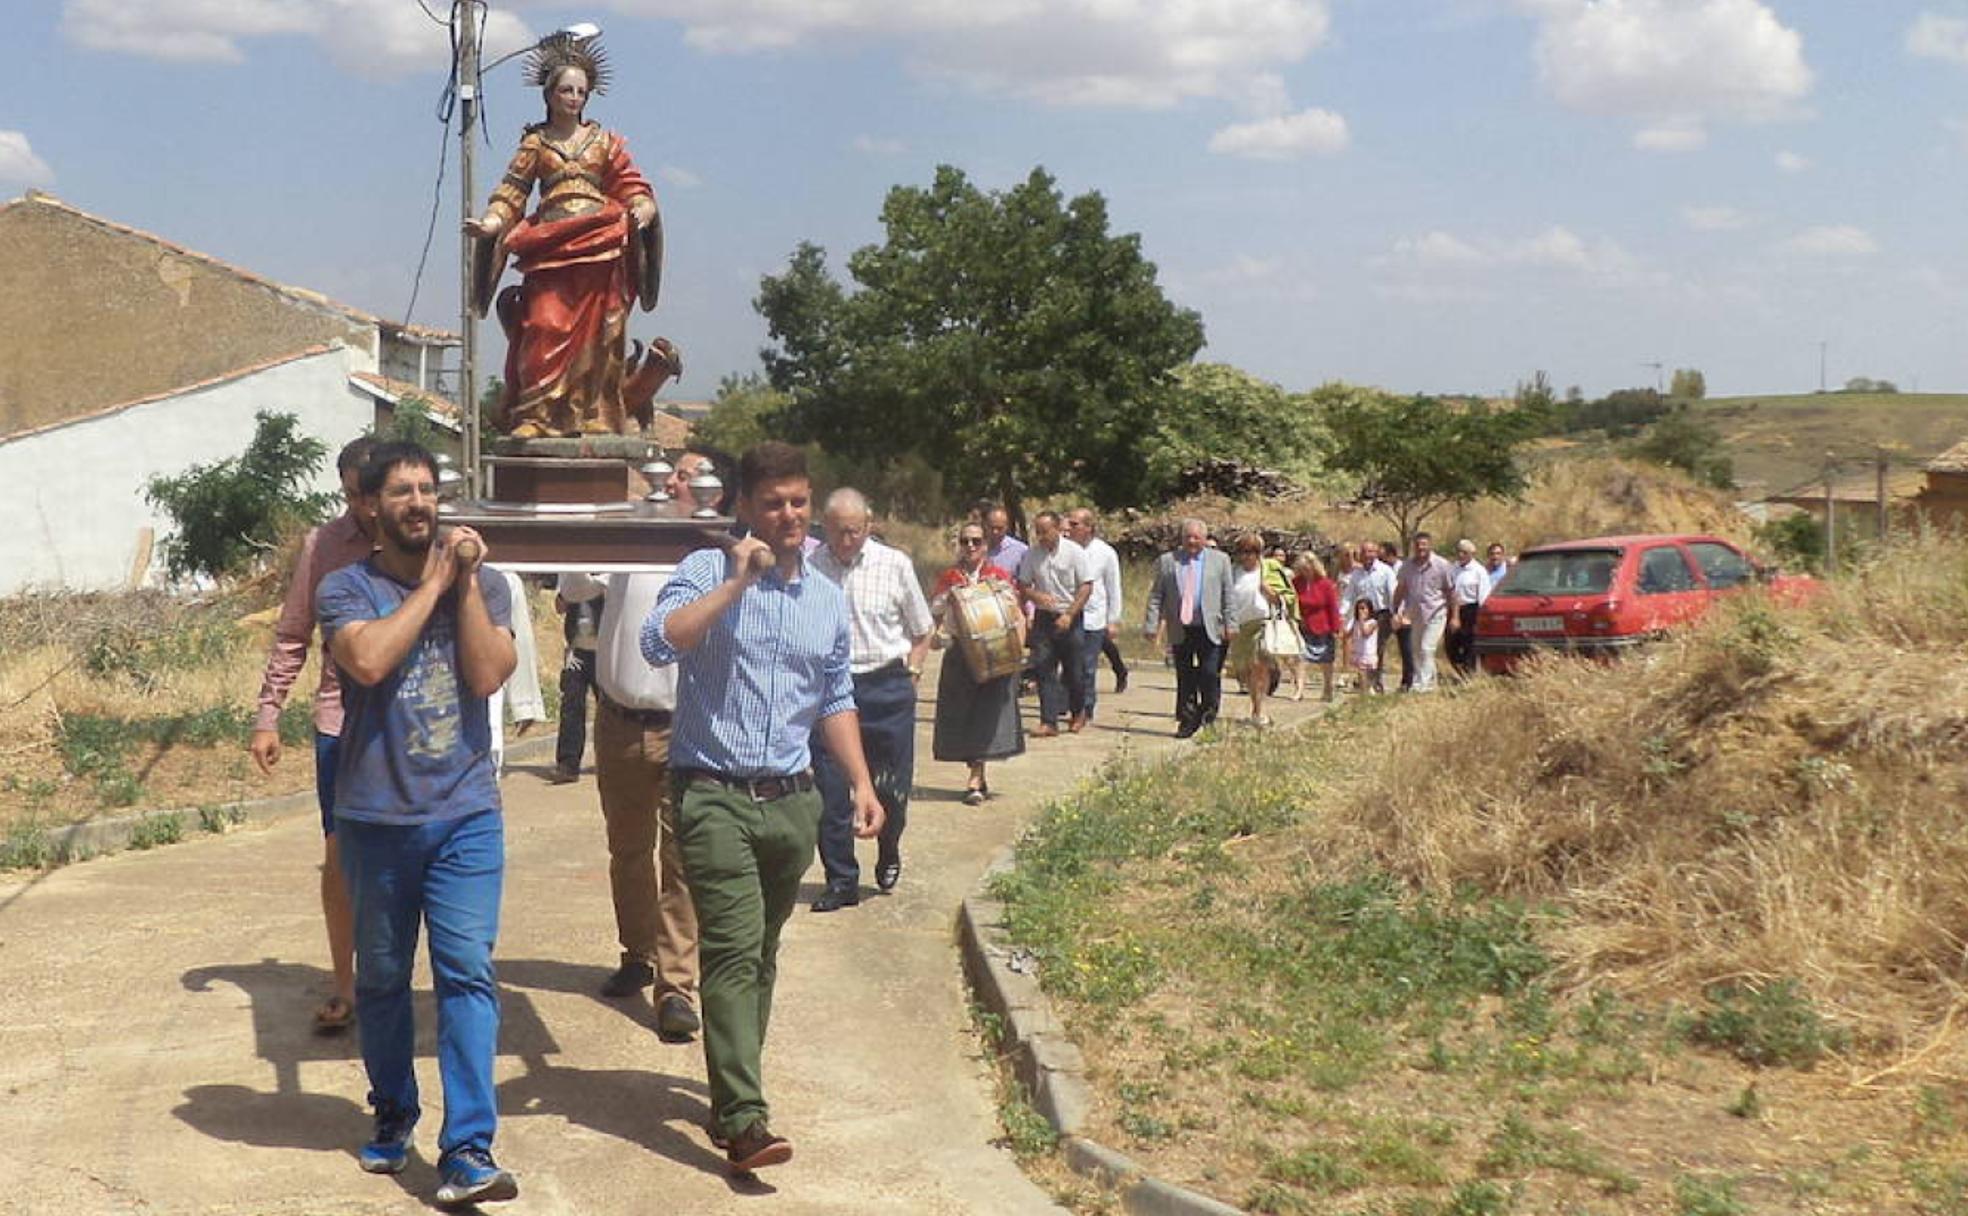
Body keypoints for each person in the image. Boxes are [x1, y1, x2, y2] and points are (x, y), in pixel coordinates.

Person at [640, 441, 884, 1175]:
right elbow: (661, 641)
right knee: (735, 951)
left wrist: (863, 784)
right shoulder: (704, 570)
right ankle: (745, 1120)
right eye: (773, 503)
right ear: (743, 506)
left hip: (792, 802)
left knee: (763, 955)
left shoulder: (823, 597)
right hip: (711, 794)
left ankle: (731, 1092)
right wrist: (737, 584)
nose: (788, 516)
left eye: (798, 502)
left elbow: (834, 697)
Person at [317, 442, 519, 1206]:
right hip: (374, 818)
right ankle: (394, 1107)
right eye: (401, 491)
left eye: (428, 490)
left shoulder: (486, 585)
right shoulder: (346, 588)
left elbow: (487, 674)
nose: (419, 503)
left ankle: (468, 1146)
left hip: (466, 813)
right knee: (382, 979)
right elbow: (366, 662)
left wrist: (461, 584)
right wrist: (432, 583)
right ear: (371, 507)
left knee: (467, 971)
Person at [466, 36, 659, 437]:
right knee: (542, 324)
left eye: (580, 91)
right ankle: (535, 416)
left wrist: (642, 206)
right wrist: (490, 223)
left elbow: (632, 186)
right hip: (550, 246)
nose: (572, 98)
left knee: (602, 331)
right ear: (549, 93)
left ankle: (592, 413)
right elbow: (511, 192)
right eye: (565, 90)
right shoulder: (535, 143)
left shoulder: (604, 142)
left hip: (601, 244)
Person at [248, 435, 377, 1034]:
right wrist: (267, 715)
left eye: (369, 495)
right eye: (351, 495)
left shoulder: (424, 538)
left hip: (413, 728)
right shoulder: (323, 545)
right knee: (339, 856)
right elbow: (294, 633)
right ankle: (347, 985)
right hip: (340, 723)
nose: (363, 509)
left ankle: (395, 981)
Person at [808, 488, 934, 910]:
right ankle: (841, 879)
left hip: (886, 684)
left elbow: (922, 629)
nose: (848, 541)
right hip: (831, 687)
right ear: (825, 527)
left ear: (869, 525)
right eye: (840, 532)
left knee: (891, 787)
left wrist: (912, 673)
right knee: (829, 789)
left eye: (856, 532)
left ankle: (889, 848)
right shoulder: (810, 569)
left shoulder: (894, 565)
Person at [930, 522, 1025, 805]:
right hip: (960, 654)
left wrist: (1016, 652)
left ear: (986, 545)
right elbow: (934, 616)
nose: (970, 547)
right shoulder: (948, 579)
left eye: (976, 541)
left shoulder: (998, 577)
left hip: (993, 652)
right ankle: (976, 774)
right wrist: (934, 638)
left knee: (987, 715)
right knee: (965, 715)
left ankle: (976, 776)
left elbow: (1015, 616)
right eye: (965, 541)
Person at [1142, 519, 1234, 738]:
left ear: (1204, 538)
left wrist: (1231, 623)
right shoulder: (1167, 562)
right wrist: (1151, 624)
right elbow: (1157, 595)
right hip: (1181, 627)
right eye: (1187, 537)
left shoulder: (1220, 561)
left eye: (1196, 537)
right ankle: (1187, 719)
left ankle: (1208, 714)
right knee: (1184, 675)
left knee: (1209, 673)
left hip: (1210, 627)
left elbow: (1228, 595)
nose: (1192, 541)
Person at [1017, 511, 1095, 737]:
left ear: (1057, 529)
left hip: (1070, 615)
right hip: (1044, 617)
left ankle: (1078, 711)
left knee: (1074, 671)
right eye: (1037, 532)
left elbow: (1086, 587)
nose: (1041, 536)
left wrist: (1070, 614)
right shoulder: (1032, 555)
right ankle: (1048, 721)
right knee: (1043, 669)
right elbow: (1023, 585)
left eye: (1045, 531)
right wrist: (1035, 596)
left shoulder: (1075, 553)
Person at [1065, 508, 1127, 715]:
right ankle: (1069, 702)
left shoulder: (1105, 553)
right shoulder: (1064, 549)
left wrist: (1113, 619)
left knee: (1087, 665)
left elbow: (1113, 587)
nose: (1068, 528)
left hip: (1094, 617)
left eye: (1074, 524)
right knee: (1070, 664)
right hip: (1069, 615)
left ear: (1089, 528)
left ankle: (1086, 706)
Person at [1226, 535, 1292, 727]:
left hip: (1262, 622)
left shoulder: (1268, 570)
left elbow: (1286, 597)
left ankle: (1259, 710)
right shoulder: (1233, 572)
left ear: (1258, 554)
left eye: (1251, 552)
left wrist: (1270, 592)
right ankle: (1256, 703)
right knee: (1244, 670)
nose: (1246, 557)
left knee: (1258, 664)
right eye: (1242, 552)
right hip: (1239, 625)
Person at [1391, 532, 1460, 693]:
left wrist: (1455, 617)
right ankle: (1427, 681)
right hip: (1414, 614)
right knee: (1415, 649)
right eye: (1418, 545)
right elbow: (1400, 589)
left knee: (1427, 648)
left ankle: (1424, 684)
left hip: (1436, 613)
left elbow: (1452, 593)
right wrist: (1395, 610)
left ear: (1430, 545)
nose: (1421, 548)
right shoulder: (1407, 566)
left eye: (1424, 544)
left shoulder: (1442, 565)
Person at [549, 584, 601, 783]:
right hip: (576, 651)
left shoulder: (607, 576)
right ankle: (568, 764)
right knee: (571, 705)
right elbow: (559, 606)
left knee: (608, 709)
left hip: (603, 651)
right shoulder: (571, 580)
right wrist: (569, 592)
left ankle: (610, 760)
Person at [1292, 552, 1341, 702]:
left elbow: (1333, 607)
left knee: (1326, 660)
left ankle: (1327, 689)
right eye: (1302, 569)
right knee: (1300, 658)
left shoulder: (1325, 584)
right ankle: (1299, 689)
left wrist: (1336, 627)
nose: (1305, 572)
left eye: (1307, 569)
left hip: (1323, 626)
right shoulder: (1296, 582)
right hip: (1303, 626)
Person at [1450, 538, 1493, 677]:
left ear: (1470, 554)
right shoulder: (1453, 568)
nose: (1460, 555)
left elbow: (1483, 596)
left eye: (1464, 552)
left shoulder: (1478, 571)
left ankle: (1469, 674)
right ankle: (1460, 670)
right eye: (1459, 552)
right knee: (1451, 644)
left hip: (1471, 610)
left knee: (1469, 644)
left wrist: (1480, 617)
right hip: (1455, 609)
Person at [1346, 598, 1383, 694]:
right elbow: (1348, 634)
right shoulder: (1355, 622)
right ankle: (1363, 690)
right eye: (1359, 609)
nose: (1361, 611)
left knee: (1368, 674)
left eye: (1363, 608)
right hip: (1358, 651)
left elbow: (1366, 633)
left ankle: (1370, 688)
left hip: (1368, 653)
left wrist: (1362, 621)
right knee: (1360, 672)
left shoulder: (1373, 623)